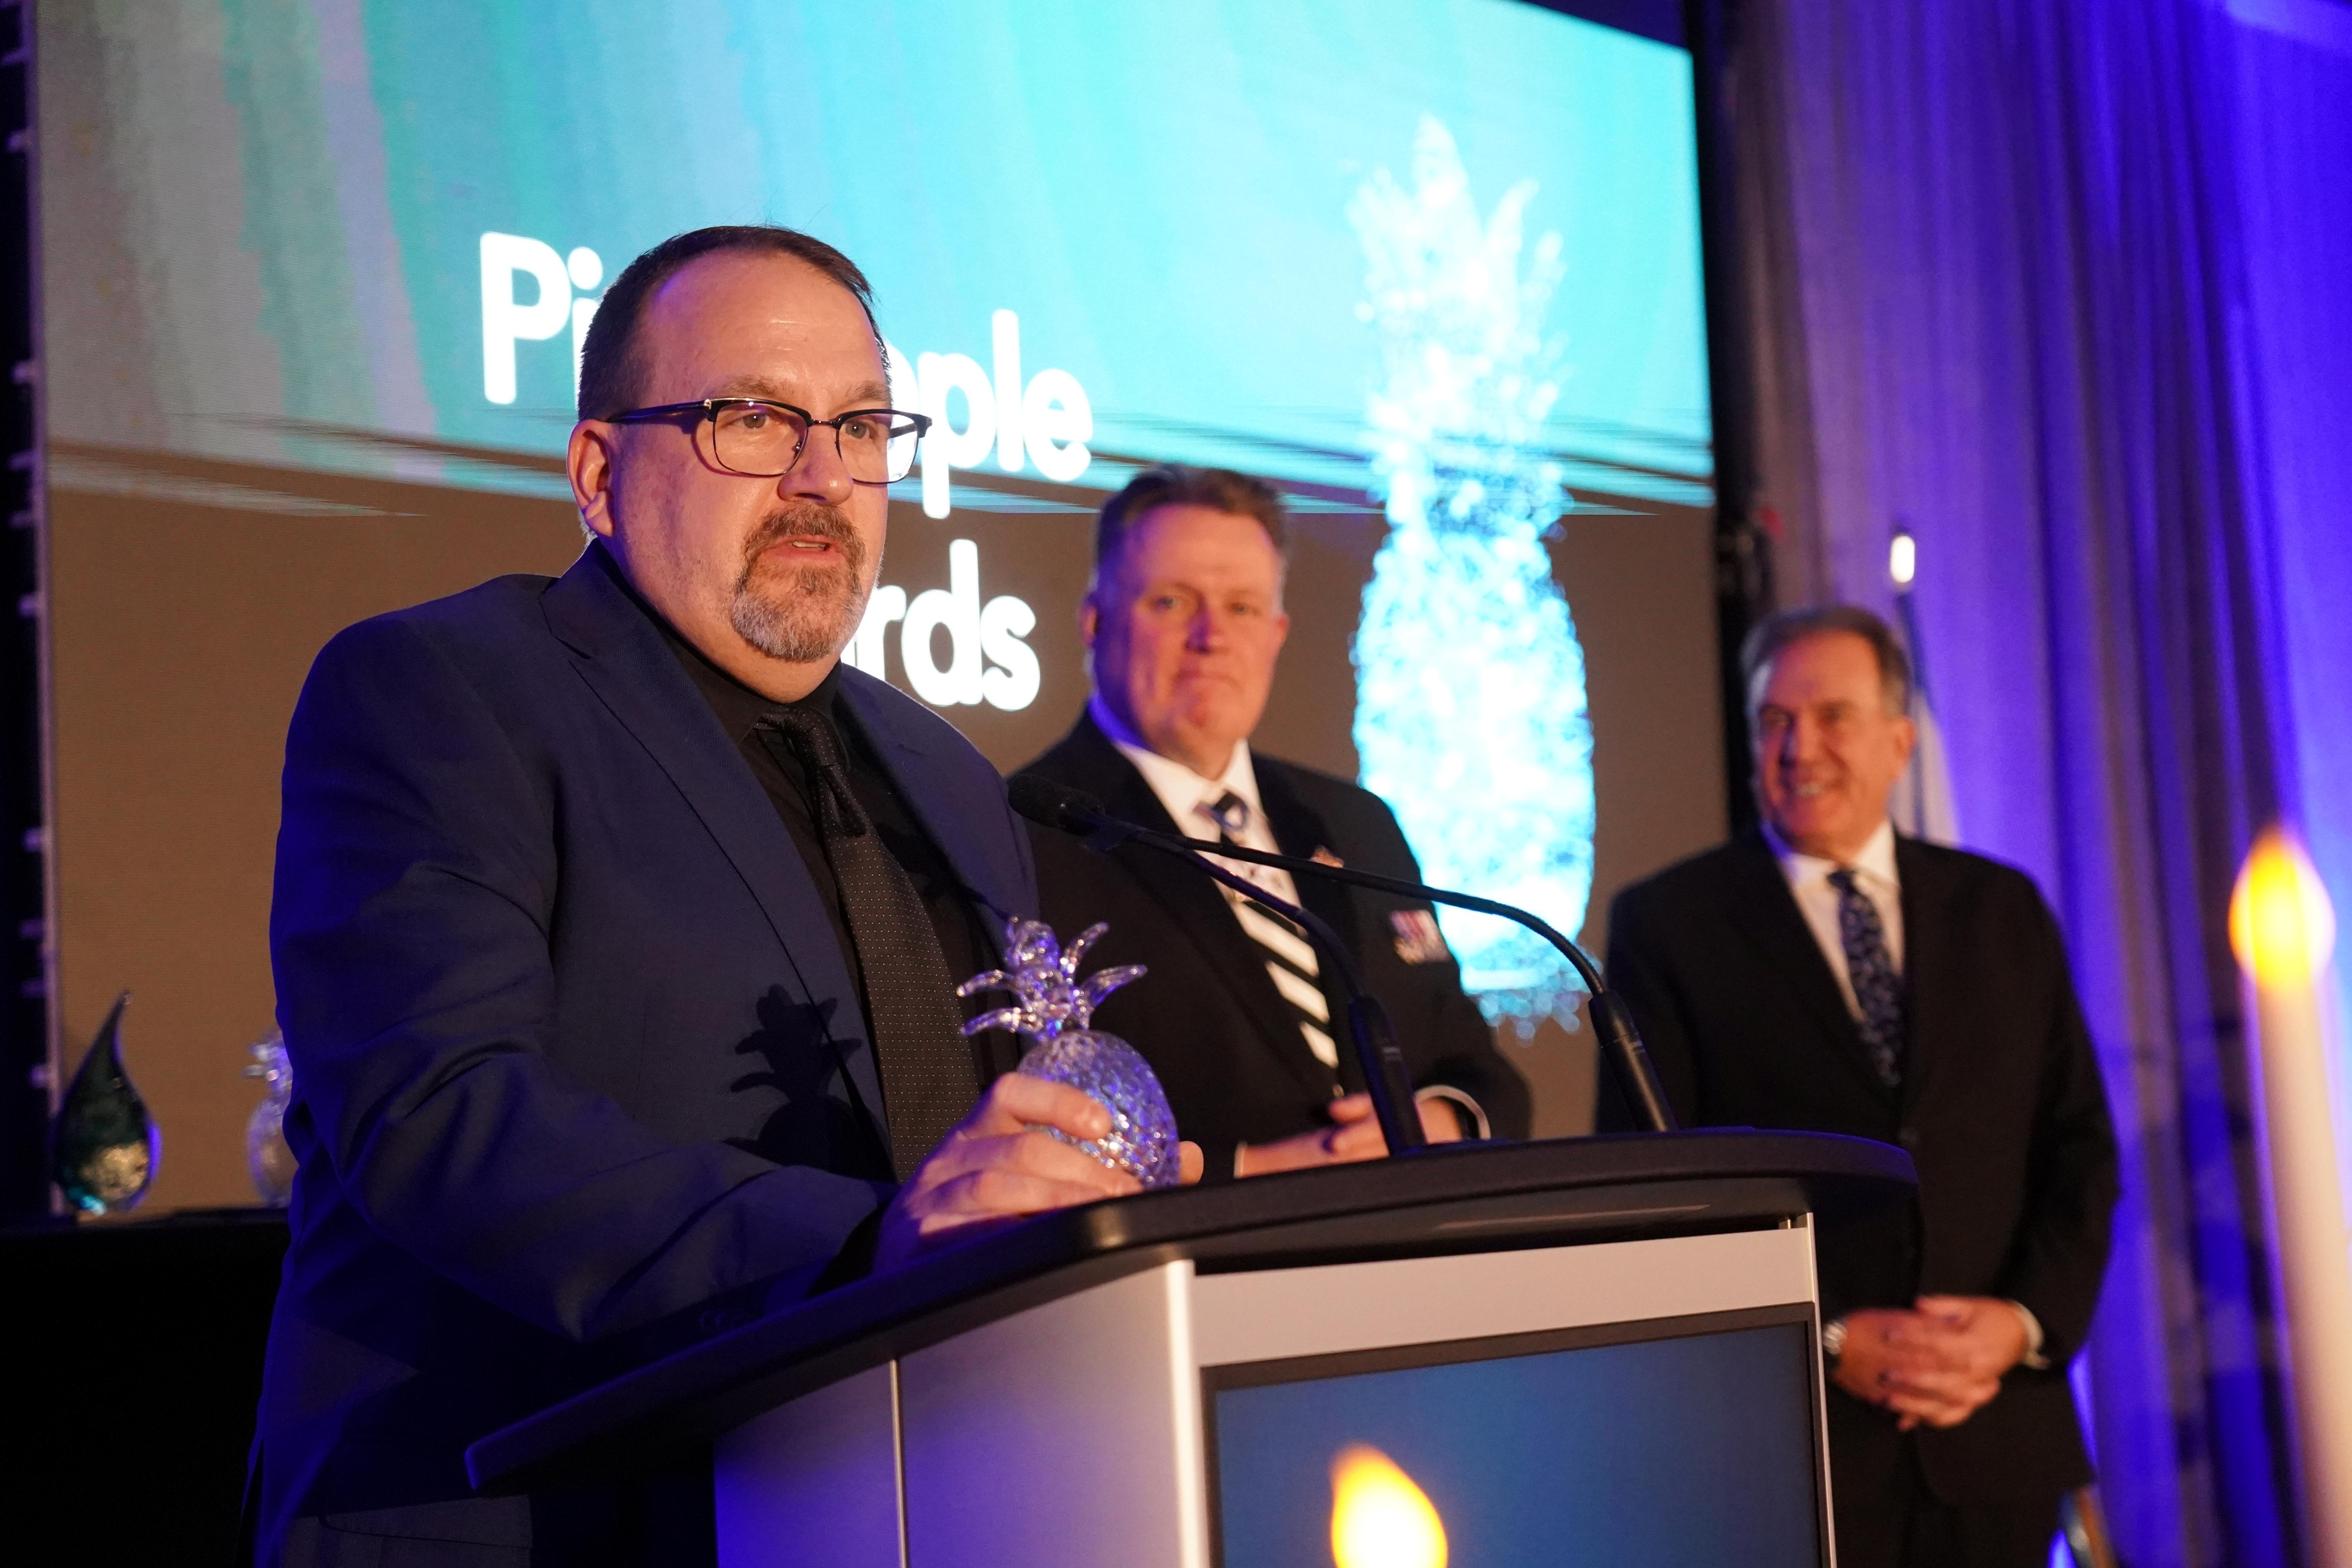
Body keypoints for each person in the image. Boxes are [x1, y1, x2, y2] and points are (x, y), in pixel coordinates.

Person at [254, 226, 1198, 1567]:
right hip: (534, 1520)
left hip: (905, 1502)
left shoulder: (945, 770)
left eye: (863, 425)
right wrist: (871, 1244)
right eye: (752, 418)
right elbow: (441, 1113)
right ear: (596, 472)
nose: (824, 476)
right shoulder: (440, 690)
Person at [1603, 606, 2118, 1568]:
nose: (1801, 749)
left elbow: (2080, 1151)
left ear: (1899, 739)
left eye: (1833, 716)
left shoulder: (2002, 910)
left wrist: (2019, 1325)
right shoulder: (1669, 923)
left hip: (2000, 1437)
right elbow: (1653, 1197)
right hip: (1802, 1444)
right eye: (1773, 722)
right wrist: (1829, 1336)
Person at [1017, 465, 1530, 1179]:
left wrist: (1440, 1120)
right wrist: (1249, 1169)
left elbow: (1481, 1070)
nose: (1211, 637)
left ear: (1278, 633)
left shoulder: (1357, 822)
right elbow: (1024, 1120)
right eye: (1172, 602)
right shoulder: (1027, 834)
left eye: (1243, 609)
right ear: (1095, 620)